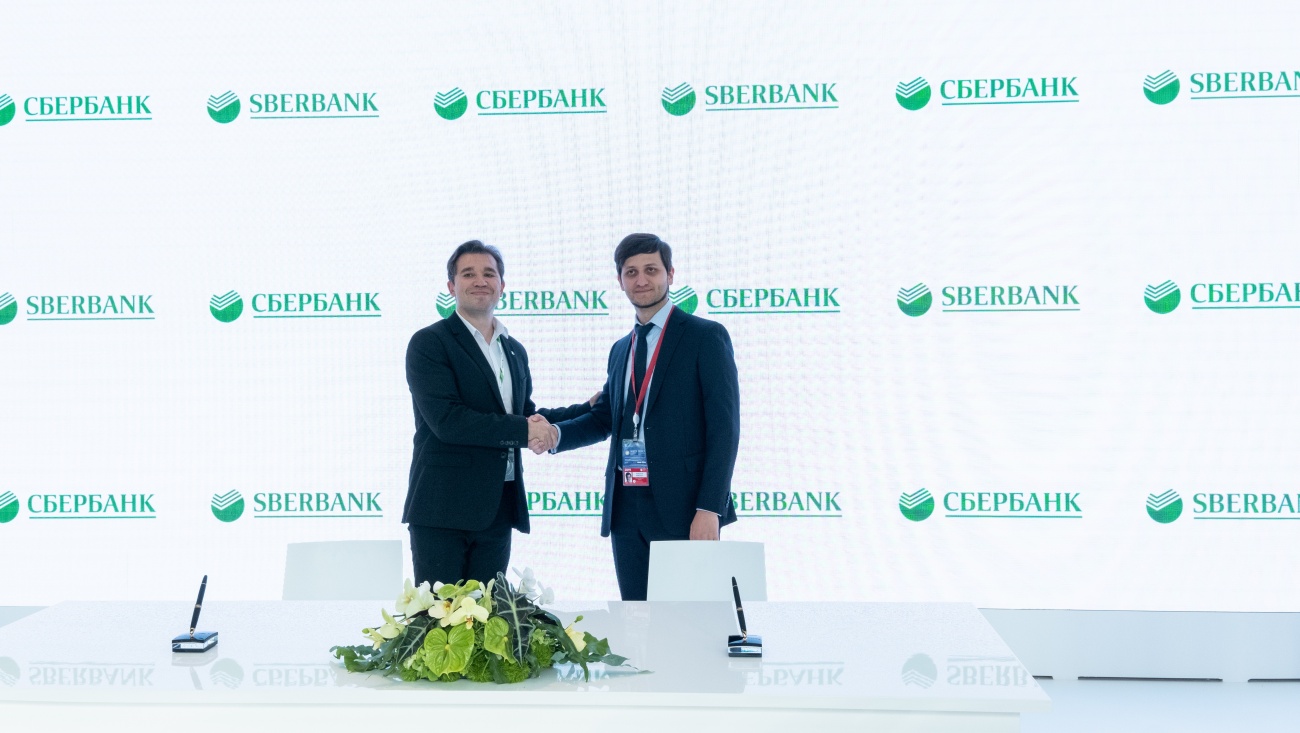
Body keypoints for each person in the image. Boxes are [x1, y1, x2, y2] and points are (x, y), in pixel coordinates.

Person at [534, 233, 740, 600]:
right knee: (635, 618)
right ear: (620, 280)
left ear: (670, 274)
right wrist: (555, 435)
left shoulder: (705, 337)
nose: (641, 280)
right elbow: (604, 418)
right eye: (631, 272)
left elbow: (725, 429)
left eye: (651, 270)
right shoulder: (620, 350)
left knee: (686, 621)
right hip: (626, 507)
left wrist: (710, 507)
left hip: (685, 507)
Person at [403, 240, 595, 586]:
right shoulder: (430, 343)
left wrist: (589, 409)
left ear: (502, 285)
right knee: (438, 618)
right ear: (451, 286)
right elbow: (449, 421)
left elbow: (525, 415)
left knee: (490, 616)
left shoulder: (514, 350)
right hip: (443, 509)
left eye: (489, 274)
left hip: (498, 507)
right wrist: (526, 431)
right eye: (468, 274)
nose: (480, 281)